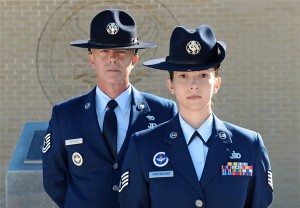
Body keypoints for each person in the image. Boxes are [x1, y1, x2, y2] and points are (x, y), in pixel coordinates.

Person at [119, 25, 273, 207]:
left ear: (216, 84)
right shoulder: (143, 146)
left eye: (202, 75)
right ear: (171, 85)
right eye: (183, 76)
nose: (193, 85)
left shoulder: (249, 145)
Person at [42, 9, 177, 208]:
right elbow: (54, 180)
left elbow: (174, 176)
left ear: (134, 59)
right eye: (103, 51)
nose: (112, 58)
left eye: (121, 51)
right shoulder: (65, 115)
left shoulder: (163, 113)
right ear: (91, 59)